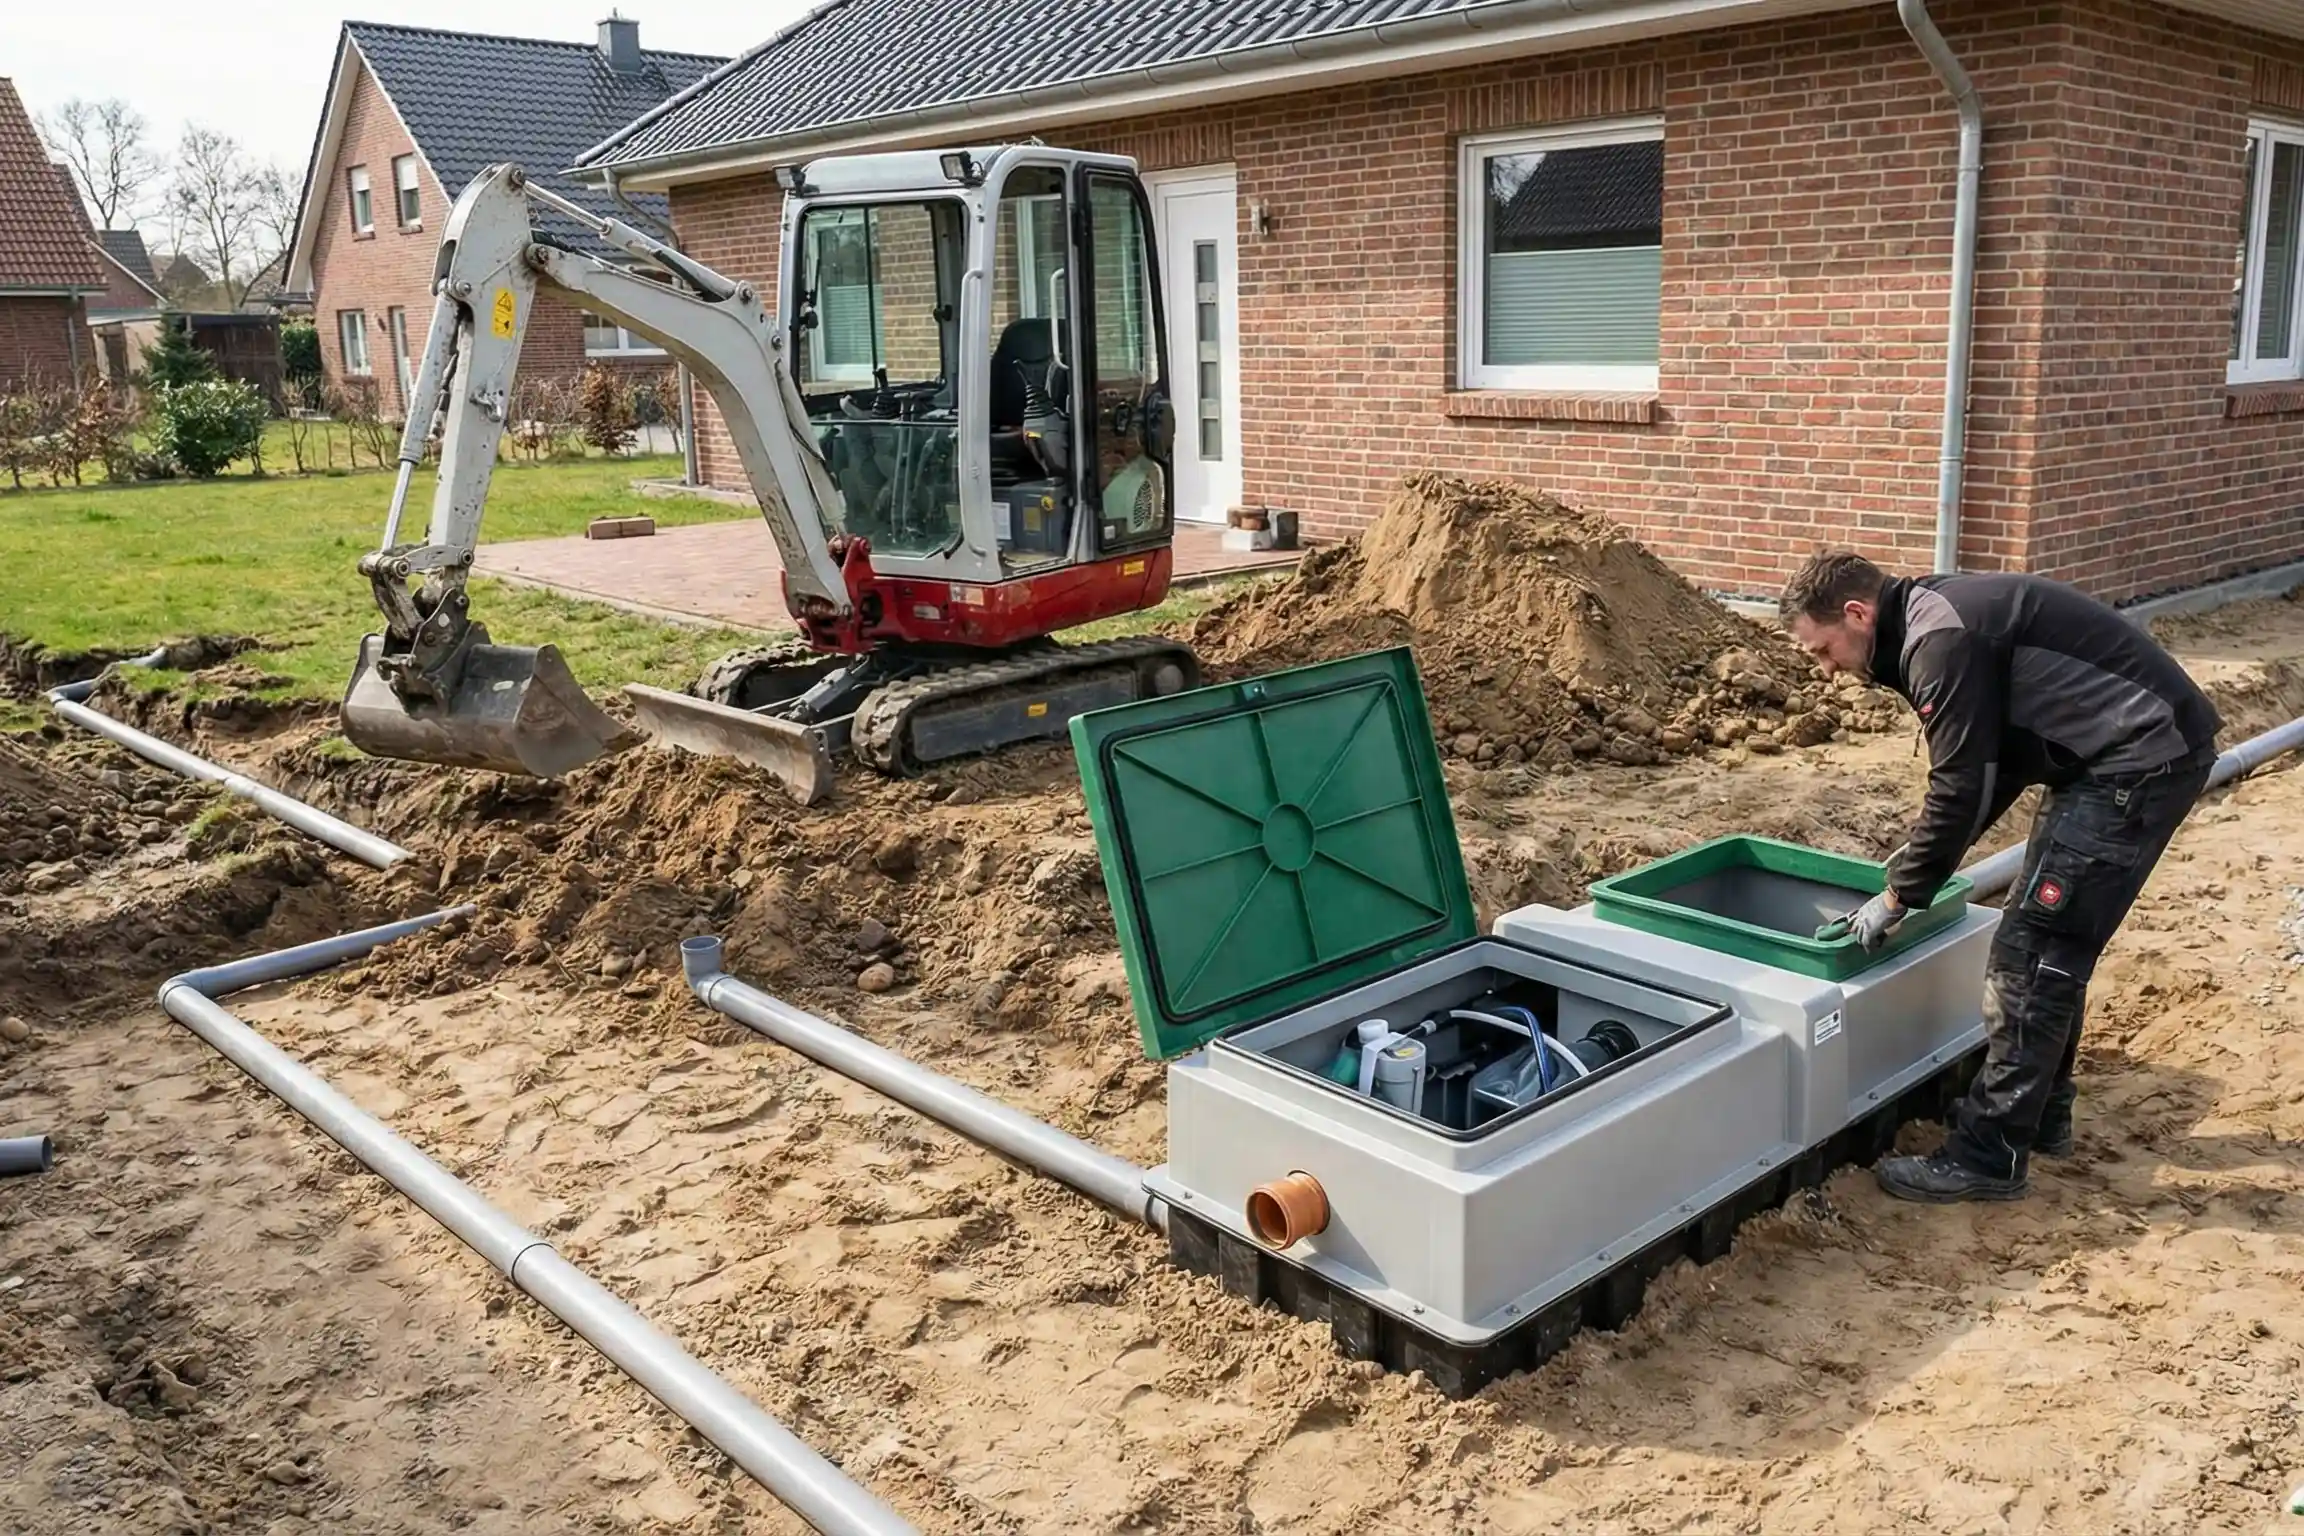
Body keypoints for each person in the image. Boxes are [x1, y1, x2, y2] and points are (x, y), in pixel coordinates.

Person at [1778, 551, 2221, 1203]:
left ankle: (1989, 1157)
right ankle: (2041, 1117)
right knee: (2051, 950)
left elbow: (1960, 785)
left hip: (2135, 762)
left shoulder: (1938, 641)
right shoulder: (1930, 617)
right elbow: (1994, 762)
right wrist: (1915, 865)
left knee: (2030, 957)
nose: (1827, 671)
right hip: (2108, 759)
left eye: (1823, 651)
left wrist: (1901, 895)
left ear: (1856, 613)